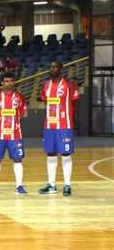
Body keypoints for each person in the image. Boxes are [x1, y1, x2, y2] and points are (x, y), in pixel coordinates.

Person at [38, 61, 80, 197]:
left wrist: (71, 118)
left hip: (64, 125)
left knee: (66, 154)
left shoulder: (69, 85)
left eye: (55, 67)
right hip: (49, 125)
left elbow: (75, 102)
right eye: (51, 66)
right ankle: (51, 184)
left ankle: (67, 185)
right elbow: (46, 102)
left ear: (61, 69)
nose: (52, 69)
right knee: (50, 153)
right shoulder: (46, 85)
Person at [0, 72, 28, 195]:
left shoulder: (20, 97)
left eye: (11, 81)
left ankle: (19, 186)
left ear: (14, 82)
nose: (8, 83)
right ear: (2, 83)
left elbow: (22, 113)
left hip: (15, 134)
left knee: (17, 159)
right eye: (6, 81)